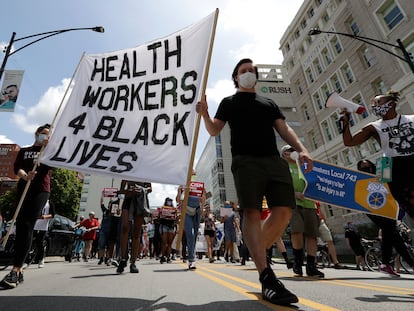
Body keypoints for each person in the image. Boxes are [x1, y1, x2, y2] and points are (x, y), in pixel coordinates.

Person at [196, 58, 313, 305]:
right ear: (236, 77)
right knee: (250, 212)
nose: (249, 73)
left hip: (273, 160)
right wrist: (205, 114)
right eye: (243, 71)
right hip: (245, 161)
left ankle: (256, 249)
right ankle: (266, 275)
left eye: (252, 70)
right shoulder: (229, 103)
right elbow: (214, 130)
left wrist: (301, 149)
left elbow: (284, 129)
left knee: (284, 210)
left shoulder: (268, 102)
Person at [342, 90, 414, 218]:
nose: (375, 106)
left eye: (378, 102)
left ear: (391, 104)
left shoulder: (411, 119)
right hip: (395, 167)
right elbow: (349, 142)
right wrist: (346, 123)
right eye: (373, 104)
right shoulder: (373, 127)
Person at [0, 124, 52, 289]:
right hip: (24, 189)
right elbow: (17, 168)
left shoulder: (49, 152)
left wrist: (46, 151)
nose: (45, 137)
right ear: (36, 134)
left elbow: (49, 167)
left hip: (40, 191)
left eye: (48, 135)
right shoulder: (24, 151)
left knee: (29, 224)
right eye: (42, 134)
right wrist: (25, 176)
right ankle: (20, 270)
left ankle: (16, 269)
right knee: (21, 225)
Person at [357, 159, 414, 276]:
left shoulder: (381, 172)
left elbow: (390, 182)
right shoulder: (360, 180)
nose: (366, 169)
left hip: (387, 208)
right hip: (372, 209)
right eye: (363, 168)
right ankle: (389, 263)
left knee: (393, 234)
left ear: (373, 166)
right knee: (391, 231)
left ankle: (386, 263)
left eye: (368, 167)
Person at [281, 145, 324, 278]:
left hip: (310, 204)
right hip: (293, 204)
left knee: (312, 234)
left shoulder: (305, 166)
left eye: (294, 151)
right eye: (289, 151)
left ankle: (311, 265)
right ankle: (298, 262)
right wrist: (295, 194)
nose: (292, 153)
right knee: (297, 230)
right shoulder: (283, 168)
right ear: (284, 155)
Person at [116, 180, 152, 274]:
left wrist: (142, 190)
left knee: (136, 232)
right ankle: (123, 258)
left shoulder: (146, 173)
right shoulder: (128, 171)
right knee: (124, 228)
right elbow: (121, 190)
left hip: (140, 201)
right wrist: (129, 192)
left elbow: (150, 188)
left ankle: (133, 262)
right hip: (128, 200)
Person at [176, 170, 205, 270]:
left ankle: (192, 255)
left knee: (195, 234)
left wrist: (203, 193)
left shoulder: (199, 186)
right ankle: (191, 260)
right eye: (192, 174)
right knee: (190, 234)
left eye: (194, 174)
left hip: (196, 211)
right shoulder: (183, 185)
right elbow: (178, 200)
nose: (193, 176)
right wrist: (180, 191)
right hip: (186, 211)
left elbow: (202, 201)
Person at [316, 202, 345, 269]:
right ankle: (314, 262)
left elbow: (320, 210)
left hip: (320, 221)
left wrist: (325, 222)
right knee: (313, 241)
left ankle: (336, 262)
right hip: (312, 220)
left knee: (330, 240)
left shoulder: (316, 199)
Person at [33, 200, 55, 268]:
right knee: (29, 241)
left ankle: (41, 259)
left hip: (42, 227)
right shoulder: (36, 201)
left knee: (40, 243)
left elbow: (52, 215)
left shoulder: (49, 203)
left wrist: (44, 217)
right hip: (33, 225)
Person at [158, 197, 178, 263]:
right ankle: (163, 256)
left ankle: (168, 257)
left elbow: (176, 218)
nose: (169, 202)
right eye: (168, 201)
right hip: (164, 226)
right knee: (164, 243)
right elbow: (159, 218)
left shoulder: (174, 209)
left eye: (170, 201)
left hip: (171, 227)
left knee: (170, 243)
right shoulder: (162, 208)